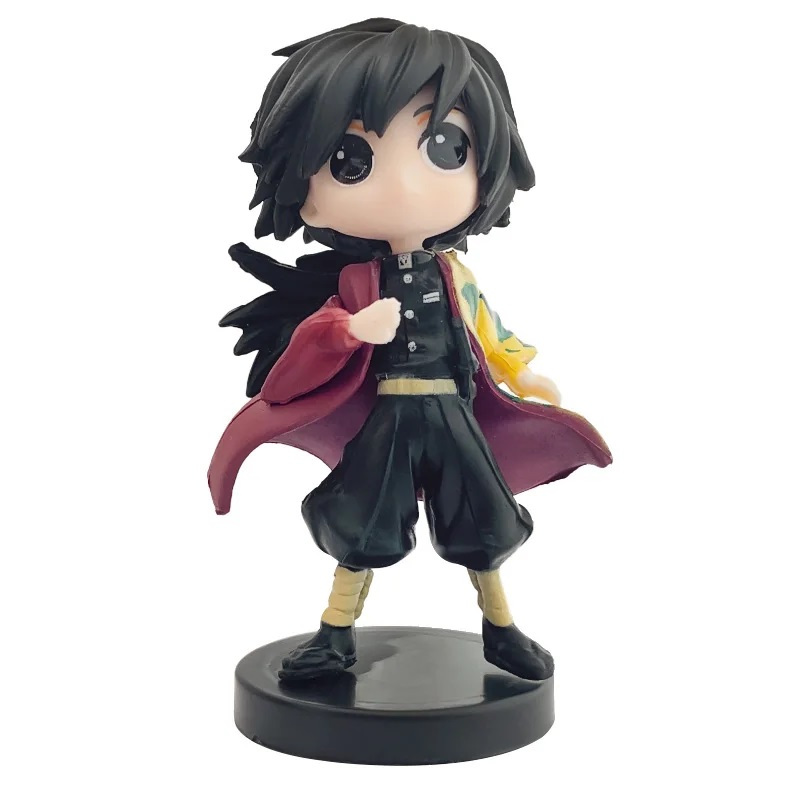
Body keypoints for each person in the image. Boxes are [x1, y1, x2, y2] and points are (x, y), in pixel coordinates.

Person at [208, 18, 612, 682]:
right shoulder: (354, 285)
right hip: (389, 417)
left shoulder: (455, 276)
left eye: (446, 147)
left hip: (452, 414)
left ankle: (501, 629)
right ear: (306, 195)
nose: (404, 186)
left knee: (482, 519)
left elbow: (487, 331)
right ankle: (334, 635)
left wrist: (521, 373)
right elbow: (303, 355)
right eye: (351, 160)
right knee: (362, 524)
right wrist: (349, 331)